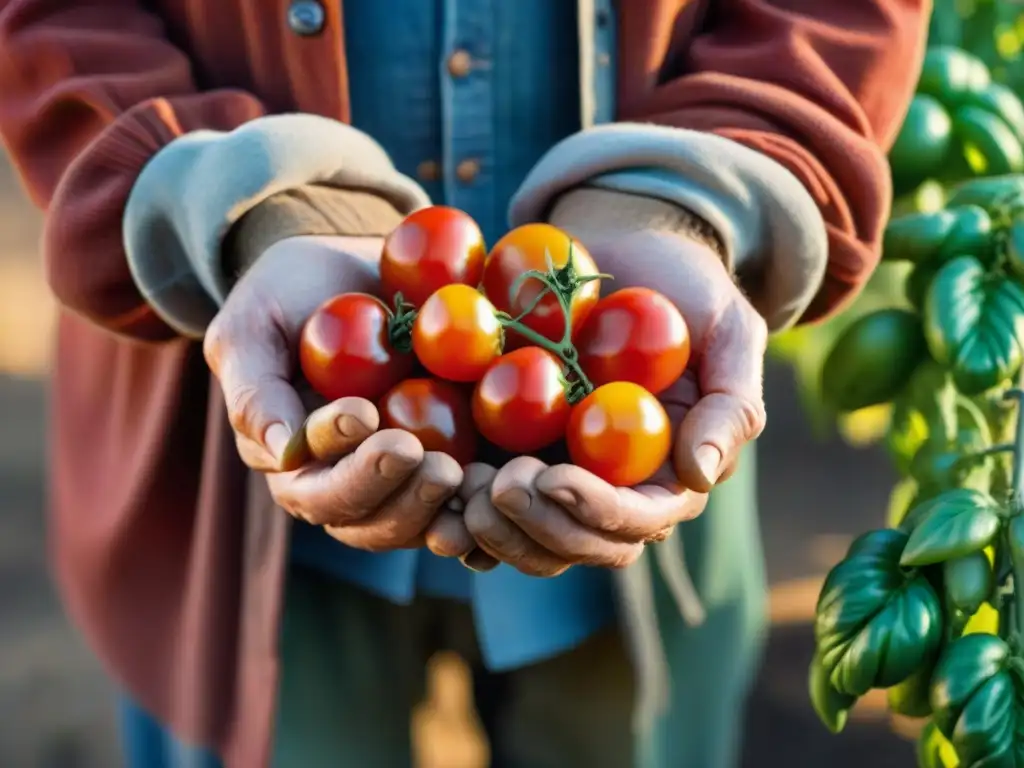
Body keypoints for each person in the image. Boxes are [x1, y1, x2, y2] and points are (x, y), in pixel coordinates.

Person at [0, 1, 927, 766]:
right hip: (229, 486)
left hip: (631, 490)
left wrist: (684, 203)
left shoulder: (612, 365)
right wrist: (255, 206)